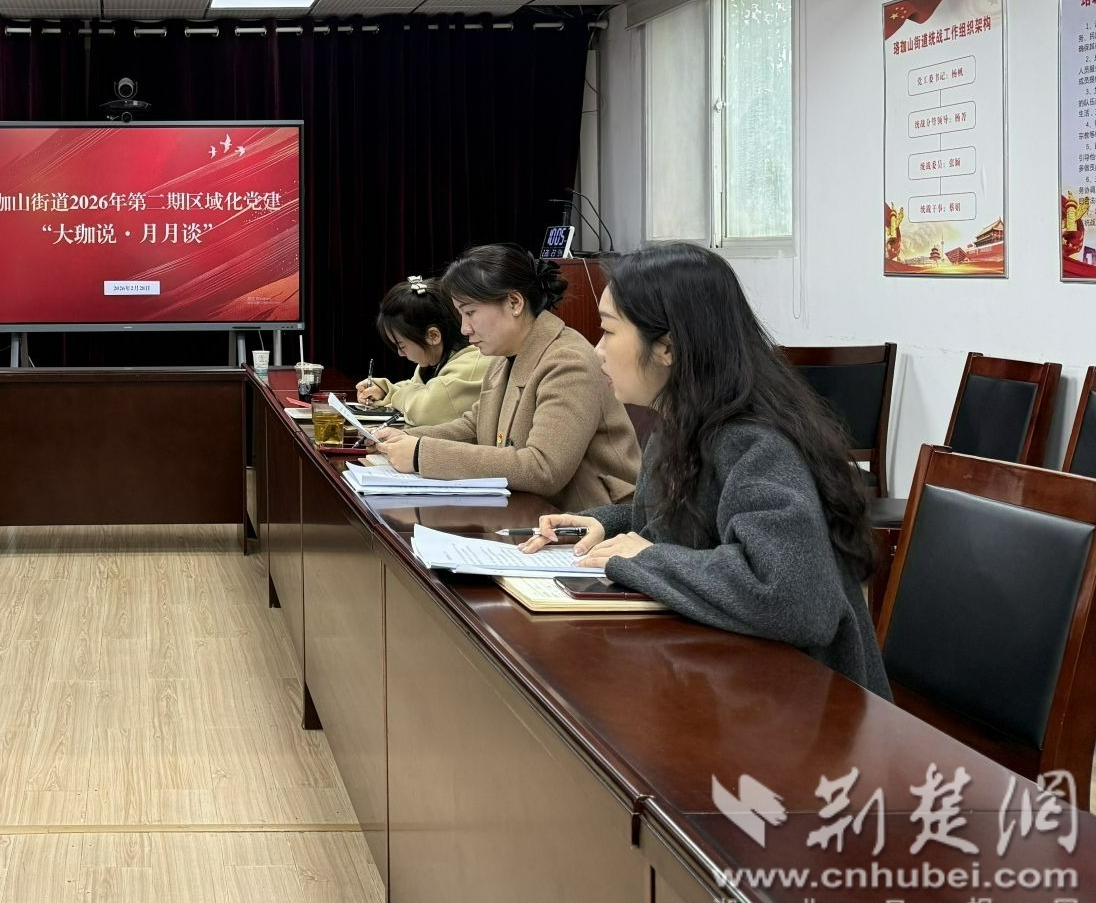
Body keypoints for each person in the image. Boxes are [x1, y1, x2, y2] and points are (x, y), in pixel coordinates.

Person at [522, 243, 890, 698]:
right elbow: (694, 530)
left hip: (811, 705)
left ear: (668, 348)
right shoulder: (681, 421)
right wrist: (606, 524)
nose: (597, 351)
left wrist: (646, 558)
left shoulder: (753, 440)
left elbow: (793, 597)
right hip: (737, 681)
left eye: (608, 331)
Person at [370, 244, 639, 511]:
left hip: (596, 520)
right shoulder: (503, 357)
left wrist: (421, 454)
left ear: (514, 303)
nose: (464, 329)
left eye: (470, 313)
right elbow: (475, 427)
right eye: (461, 315)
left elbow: (543, 468)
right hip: (532, 513)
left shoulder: (568, 361)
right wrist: (404, 438)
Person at [353, 276, 491, 427]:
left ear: (433, 336)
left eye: (402, 346)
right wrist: (384, 390)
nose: (400, 353)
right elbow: (416, 390)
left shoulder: (470, 365)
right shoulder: (435, 361)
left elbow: (424, 412)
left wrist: (392, 394)